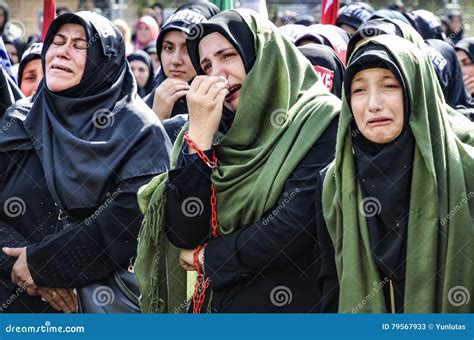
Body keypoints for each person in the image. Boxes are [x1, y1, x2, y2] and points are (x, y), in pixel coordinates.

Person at [134, 9, 341, 313]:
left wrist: (210, 259)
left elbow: (292, 226)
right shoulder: (211, 130)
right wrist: (200, 140)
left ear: (262, 54)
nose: (217, 74)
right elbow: (184, 233)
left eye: (228, 56)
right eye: (206, 65)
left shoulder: (321, 119)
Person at [0, 11, 171, 313]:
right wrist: (20, 263)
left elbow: (127, 223)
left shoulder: (141, 133)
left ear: (106, 62)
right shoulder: (19, 121)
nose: (62, 52)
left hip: (92, 307)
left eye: (80, 45)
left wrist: (44, 264)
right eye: (57, 41)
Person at [318, 35, 473, 313]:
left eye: (389, 85)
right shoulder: (334, 183)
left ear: (416, 90)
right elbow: (332, 288)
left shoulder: (466, 173)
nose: (374, 104)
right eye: (359, 90)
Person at [144, 2, 220, 143]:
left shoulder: (226, 105)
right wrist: (155, 119)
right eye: (168, 48)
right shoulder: (141, 106)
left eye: (187, 49)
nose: (175, 60)